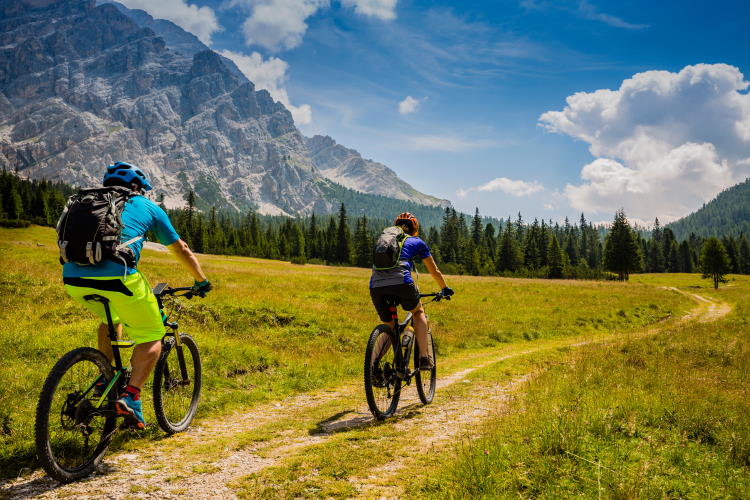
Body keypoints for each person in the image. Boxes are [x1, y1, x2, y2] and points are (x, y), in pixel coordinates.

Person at [62, 161, 212, 429]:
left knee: (112, 319)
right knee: (153, 334)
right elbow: (182, 249)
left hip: (73, 278)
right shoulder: (147, 206)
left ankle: (104, 376)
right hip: (118, 277)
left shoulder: (85, 202)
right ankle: (131, 397)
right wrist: (201, 280)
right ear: (137, 187)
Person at [370, 212, 454, 370]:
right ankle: (424, 358)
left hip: (376, 286)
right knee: (418, 312)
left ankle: (372, 368)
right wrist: (444, 288)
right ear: (415, 229)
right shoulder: (417, 242)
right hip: (402, 282)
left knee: (389, 327)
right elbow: (434, 271)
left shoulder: (386, 240)